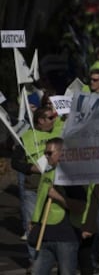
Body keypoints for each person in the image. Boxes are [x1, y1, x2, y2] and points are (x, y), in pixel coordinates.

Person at [11, 107, 63, 271]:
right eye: (49, 118)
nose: (54, 120)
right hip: (33, 188)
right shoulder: (26, 137)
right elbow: (15, 162)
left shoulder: (60, 134)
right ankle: (35, 260)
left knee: (54, 225)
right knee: (32, 225)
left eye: (54, 117)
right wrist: (30, 168)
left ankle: (53, 258)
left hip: (54, 187)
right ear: (40, 120)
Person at [30, 137, 86, 275]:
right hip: (44, 234)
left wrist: (58, 197)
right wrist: (34, 221)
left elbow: (80, 207)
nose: (46, 156)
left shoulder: (72, 177)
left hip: (65, 237)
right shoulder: (47, 173)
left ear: (62, 153)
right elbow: (40, 201)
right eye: (45, 153)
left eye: (49, 153)